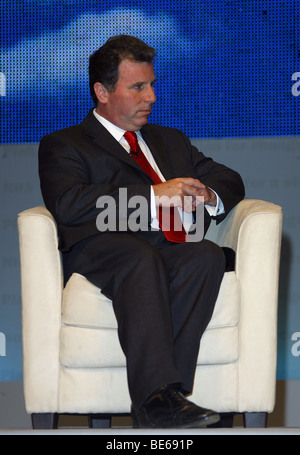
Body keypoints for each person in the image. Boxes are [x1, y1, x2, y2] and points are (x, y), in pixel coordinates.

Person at [38, 35, 245, 428]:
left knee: (205, 255)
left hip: (165, 246)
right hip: (103, 246)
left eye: (152, 84)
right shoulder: (66, 144)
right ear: (102, 91)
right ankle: (157, 398)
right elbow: (70, 204)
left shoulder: (169, 140)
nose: (151, 96)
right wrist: (153, 196)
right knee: (139, 256)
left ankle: (164, 400)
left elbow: (228, 178)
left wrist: (206, 194)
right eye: (137, 87)